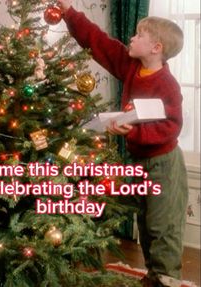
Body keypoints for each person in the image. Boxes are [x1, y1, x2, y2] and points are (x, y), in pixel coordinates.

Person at [57, 1, 188, 286]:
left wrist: (133, 132)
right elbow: (98, 42)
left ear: (156, 48)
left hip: (164, 163)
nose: (131, 38)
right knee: (144, 220)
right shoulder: (131, 66)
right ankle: (153, 276)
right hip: (139, 161)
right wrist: (68, 11)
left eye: (139, 35)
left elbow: (171, 127)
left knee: (162, 226)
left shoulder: (167, 84)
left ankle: (166, 279)